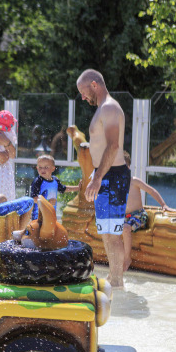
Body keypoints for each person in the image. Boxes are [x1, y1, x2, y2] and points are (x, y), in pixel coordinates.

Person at [77, 69, 130, 288]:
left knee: (113, 234)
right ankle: (114, 277)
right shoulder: (102, 108)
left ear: (94, 84)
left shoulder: (108, 107)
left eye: (83, 91)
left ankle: (117, 282)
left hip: (112, 176)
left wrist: (98, 177)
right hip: (106, 175)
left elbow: (114, 145)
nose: (82, 97)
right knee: (107, 233)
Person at [121, 152, 174, 272]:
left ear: (128, 167)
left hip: (138, 215)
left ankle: (127, 258)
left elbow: (151, 191)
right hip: (125, 217)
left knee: (125, 227)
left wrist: (163, 204)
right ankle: (117, 257)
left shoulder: (134, 181)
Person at [29, 153, 79, 219]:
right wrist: (46, 202)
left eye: (46, 167)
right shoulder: (38, 182)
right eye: (40, 167)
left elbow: (63, 189)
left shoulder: (55, 180)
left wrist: (78, 188)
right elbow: (33, 199)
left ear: (53, 169)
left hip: (51, 215)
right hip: (38, 217)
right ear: (37, 168)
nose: (42, 170)